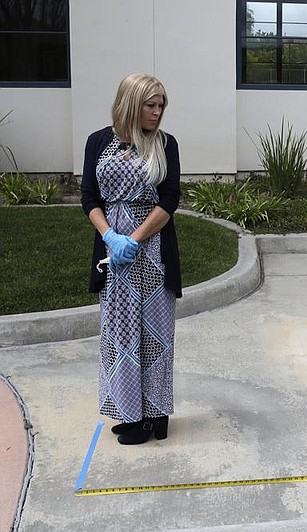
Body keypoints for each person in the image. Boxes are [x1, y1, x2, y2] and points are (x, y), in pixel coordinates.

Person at [80, 73, 182, 445]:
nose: (157, 113)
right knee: (119, 335)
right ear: (130, 103)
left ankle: (156, 415)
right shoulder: (98, 142)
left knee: (154, 336)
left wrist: (134, 240)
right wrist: (109, 235)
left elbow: (169, 199)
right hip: (113, 254)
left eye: (161, 106)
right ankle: (131, 413)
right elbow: (89, 196)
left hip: (151, 253)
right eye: (150, 105)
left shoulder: (165, 144)